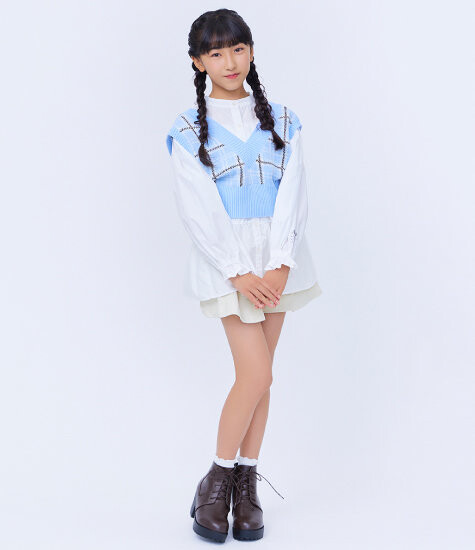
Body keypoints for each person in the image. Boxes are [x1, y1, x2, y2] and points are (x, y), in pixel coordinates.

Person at [165, 8, 323, 543]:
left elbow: (294, 192)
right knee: (255, 375)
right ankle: (216, 481)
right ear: (198, 62)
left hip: (279, 262)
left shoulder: (284, 120)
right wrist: (237, 272)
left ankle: (246, 486)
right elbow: (197, 209)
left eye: (237, 49)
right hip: (227, 265)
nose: (229, 62)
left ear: (251, 51)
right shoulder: (188, 130)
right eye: (216, 53)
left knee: (264, 376)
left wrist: (280, 263)